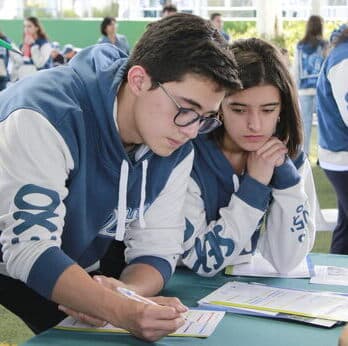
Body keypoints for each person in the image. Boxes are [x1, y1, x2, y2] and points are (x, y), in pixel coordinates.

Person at [0, 13, 239, 342]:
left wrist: (126, 293)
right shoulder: (44, 114)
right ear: (139, 80)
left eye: (206, 118)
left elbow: (158, 248)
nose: (192, 131)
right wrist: (121, 310)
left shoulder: (175, 141)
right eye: (186, 109)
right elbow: (28, 250)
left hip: (62, 257)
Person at [180, 38, 317, 276]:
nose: (254, 125)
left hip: (243, 291)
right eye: (239, 109)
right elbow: (202, 260)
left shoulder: (290, 160)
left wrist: (287, 181)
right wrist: (253, 187)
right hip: (179, 288)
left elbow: (286, 262)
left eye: (267, 109)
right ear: (219, 105)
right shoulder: (188, 155)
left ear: (282, 109)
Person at [316, 24, 348, 254]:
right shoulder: (344, 59)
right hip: (342, 157)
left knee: (346, 227)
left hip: (339, 155)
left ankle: (335, 282)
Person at [293, 15, 328, 155]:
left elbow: (296, 68)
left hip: (303, 89)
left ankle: (304, 154)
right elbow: (326, 67)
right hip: (320, 89)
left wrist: (295, 87)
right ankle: (321, 155)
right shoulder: (324, 45)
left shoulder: (300, 46)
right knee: (322, 124)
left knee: (305, 124)